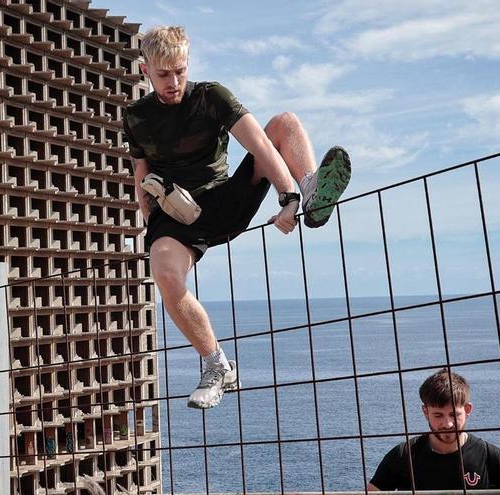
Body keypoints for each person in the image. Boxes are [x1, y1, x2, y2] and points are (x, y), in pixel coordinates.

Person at [122, 26, 351, 409]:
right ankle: (217, 367)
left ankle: (310, 192)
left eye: (180, 70)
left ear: (187, 63)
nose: (174, 81)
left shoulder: (212, 95)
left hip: (224, 199)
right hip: (176, 214)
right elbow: (140, 174)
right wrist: (154, 227)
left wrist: (288, 195)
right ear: (146, 70)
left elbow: (259, 143)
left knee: (284, 123)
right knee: (163, 270)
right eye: (163, 74)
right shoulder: (136, 117)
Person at [367, 368, 500, 491]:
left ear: (467, 409)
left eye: (454, 414)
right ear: (426, 412)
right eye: (438, 415)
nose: (448, 423)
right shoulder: (404, 455)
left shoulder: (491, 458)